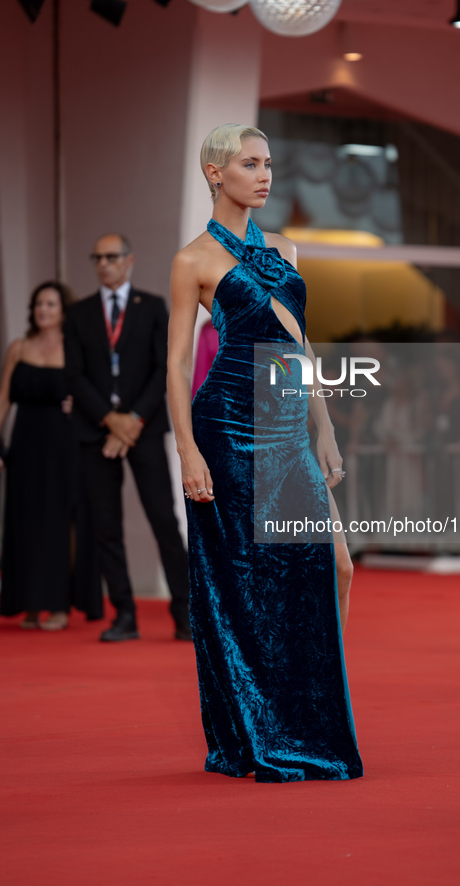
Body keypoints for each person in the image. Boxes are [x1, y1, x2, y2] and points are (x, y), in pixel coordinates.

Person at [167, 123, 363, 782]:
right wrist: (188, 452)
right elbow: (172, 370)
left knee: (333, 566)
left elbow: (299, 347)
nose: (264, 174)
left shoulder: (285, 246)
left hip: (283, 424)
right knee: (244, 580)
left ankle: (308, 710)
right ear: (214, 173)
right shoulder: (192, 259)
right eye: (250, 164)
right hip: (224, 424)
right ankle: (258, 726)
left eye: (269, 163)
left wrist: (324, 425)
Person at [64, 234, 191, 642]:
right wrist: (110, 420)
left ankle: (186, 615)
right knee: (106, 527)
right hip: (97, 432)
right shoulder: (79, 313)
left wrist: (133, 420)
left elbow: (163, 368)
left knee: (164, 522)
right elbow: (74, 375)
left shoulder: (151, 306)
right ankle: (124, 615)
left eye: (112, 256)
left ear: (129, 261)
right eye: (97, 257)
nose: (104, 263)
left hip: (145, 428)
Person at [0, 282, 102, 629]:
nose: (43, 310)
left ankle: (59, 605)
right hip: (26, 444)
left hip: (64, 444)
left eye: (50, 304)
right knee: (26, 522)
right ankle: (31, 604)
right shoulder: (18, 348)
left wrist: (79, 405)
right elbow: (4, 396)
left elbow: (96, 392)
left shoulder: (76, 346)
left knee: (60, 523)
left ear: (64, 309)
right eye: (38, 304)